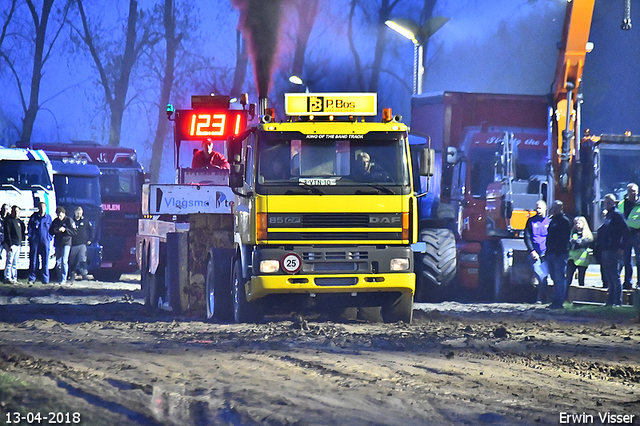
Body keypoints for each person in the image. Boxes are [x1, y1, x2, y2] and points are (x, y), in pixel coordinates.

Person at [598, 194, 630, 306]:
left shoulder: (617, 215)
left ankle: (617, 301)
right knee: (609, 276)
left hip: (614, 249)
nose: (606, 204)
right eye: (605, 202)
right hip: (606, 249)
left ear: (613, 203)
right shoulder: (608, 215)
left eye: (608, 202)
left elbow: (626, 232)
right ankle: (610, 301)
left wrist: (622, 247)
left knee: (615, 276)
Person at [545, 200, 572, 309]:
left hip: (559, 254)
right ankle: (555, 300)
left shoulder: (564, 221)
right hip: (550, 253)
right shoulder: (552, 221)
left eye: (555, 208)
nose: (553, 210)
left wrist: (558, 251)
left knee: (560, 277)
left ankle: (559, 301)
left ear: (560, 208)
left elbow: (564, 239)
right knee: (554, 278)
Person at [524, 200, 550, 304]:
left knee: (545, 276)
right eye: (536, 208)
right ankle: (542, 297)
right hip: (535, 253)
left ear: (545, 208)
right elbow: (527, 237)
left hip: (546, 253)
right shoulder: (531, 221)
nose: (538, 210)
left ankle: (543, 298)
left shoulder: (549, 222)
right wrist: (532, 251)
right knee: (539, 274)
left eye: (540, 208)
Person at [618, 183, 640, 289]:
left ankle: (639, 282)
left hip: (637, 234)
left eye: (634, 191)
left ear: (637, 192)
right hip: (625, 235)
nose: (632, 193)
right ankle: (627, 282)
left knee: (639, 260)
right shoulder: (622, 204)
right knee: (626, 259)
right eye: (630, 190)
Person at [566, 216, 594, 297]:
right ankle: (565, 297)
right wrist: (576, 243)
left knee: (581, 280)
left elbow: (584, 244)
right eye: (575, 223)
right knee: (568, 279)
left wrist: (576, 243)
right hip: (571, 259)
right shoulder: (572, 233)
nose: (576, 225)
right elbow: (569, 243)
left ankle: (581, 297)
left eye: (578, 223)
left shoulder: (588, 234)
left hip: (582, 260)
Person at [27, 202, 53, 284]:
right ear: (38, 208)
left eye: (44, 207)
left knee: (45, 261)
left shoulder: (48, 218)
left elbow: (51, 230)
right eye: (40, 207)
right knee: (34, 260)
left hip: (45, 241)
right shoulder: (34, 217)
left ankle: (45, 279)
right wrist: (31, 238)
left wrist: (49, 238)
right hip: (35, 241)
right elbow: (29, 228)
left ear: (46, 208)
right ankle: (32, 278)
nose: (42, 209)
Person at [49, 207, 76, 285]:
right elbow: (50, 231)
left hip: (66, 243)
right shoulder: (55, 221)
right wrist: (54, 230)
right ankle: (59, 278)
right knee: (58, 262)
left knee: (64, 261)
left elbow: (74, 232)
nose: (59, 216)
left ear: (64, 214)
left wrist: (65, 230)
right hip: (58, 243)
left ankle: (64, 279)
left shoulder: (69, 220)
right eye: (58, 215)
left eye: (61, 215)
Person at [3, 205, 25, 284]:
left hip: (18, 244)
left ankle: (14, 277)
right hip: (11, 244)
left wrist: (22, 240)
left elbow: (22, 231)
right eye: (14, 211)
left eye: (17, 211)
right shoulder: (8, 221)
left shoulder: (19, 221)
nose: (16, 213)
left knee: (15, 261)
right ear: (11, 211)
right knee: (9, 261)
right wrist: (9, 244)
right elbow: (7, 233)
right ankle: (7, 277)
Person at [69, 206, 92, 282]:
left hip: (82, 244)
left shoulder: (85, 220)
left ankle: (84, 274)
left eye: (80, 213)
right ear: (75, 212)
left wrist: (90, 239)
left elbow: (91, 230)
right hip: (73, 244)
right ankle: (72, 274)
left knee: (83, 260)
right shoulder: (71, 221)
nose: (79, 214)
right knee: (72, 261)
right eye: (77, 213)